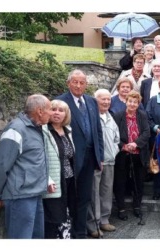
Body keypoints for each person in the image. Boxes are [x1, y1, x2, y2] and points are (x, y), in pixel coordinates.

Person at [0, 94, 52, 239]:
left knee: (36, 237)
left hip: (35, 192)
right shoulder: (16, 129)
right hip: (20, 196)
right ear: (40, 111)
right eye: (50, 109)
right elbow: (1, 163)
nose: (51, 113)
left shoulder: (37, 128)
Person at [57, 69, 104, 239]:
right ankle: (67, 233)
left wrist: (101, 156)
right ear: (68, 83)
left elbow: (97, 130)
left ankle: (80, 232)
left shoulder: (91, 101)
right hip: (70, 159)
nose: (78, 85)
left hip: (91, 157)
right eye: (75, 82)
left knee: (85, 197)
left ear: (86, 84)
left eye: (82, 82)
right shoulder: (60, 102)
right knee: (69, 197)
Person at [112, 90, 150, 222]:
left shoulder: (142, 115)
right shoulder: (118, 115)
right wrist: (124, 145)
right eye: (130, 101)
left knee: (138, 181)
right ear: (126, 102)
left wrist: (136, 143)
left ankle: (137, 206)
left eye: (135, 102)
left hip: (138, 153)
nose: (132, 104)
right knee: (120, 181)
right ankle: (121, 208)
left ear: (138, 103)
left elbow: (146, 132)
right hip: (122, 153)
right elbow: (114, 134)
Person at [86, 89, 120, 238]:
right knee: (94, 193)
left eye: (108, 99)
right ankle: (93, 224)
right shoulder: (90, 116)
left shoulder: (109, 116)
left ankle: (104, 220)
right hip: (95, 162)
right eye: (103, 99)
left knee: (106, 191)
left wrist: (114, 151)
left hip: (109, 161)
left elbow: (116, 138)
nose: (106, 102)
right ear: (95, 100)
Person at [42, 100, 76, 239]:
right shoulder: (44, 130)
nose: (57, 112)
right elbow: (41, 158)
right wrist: (47, 178)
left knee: (66, 212)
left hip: (69, 178)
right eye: (54, 109)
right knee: (53, 216)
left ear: (66, 114)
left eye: (61, 110)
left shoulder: (68, 130)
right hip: (54, 180)